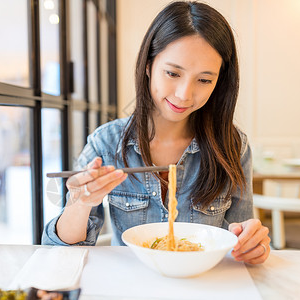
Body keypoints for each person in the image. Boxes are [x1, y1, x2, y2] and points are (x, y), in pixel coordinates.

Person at [42, 1, 270, 264]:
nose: (185, 94)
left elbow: (240, 242)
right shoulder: (107, 143)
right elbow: (58, 250)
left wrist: (253, 246)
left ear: (220, 82)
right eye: (173, 73)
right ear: (149, 65)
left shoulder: (233, 145)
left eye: (204, 80)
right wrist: (79, 203)